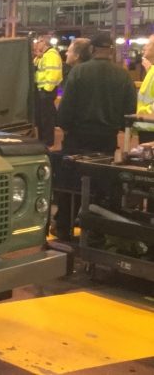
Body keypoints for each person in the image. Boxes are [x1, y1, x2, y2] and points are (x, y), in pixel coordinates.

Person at [54, 33, 137, 240]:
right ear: (111, 51)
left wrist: (65, 126)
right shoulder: (123, 75)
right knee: (102, 185)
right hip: (107, 140)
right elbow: (129, 112)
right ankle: (97, 231)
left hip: (77, 139)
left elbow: (65, 110)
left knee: (70, 184)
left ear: (91, 50)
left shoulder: (79, 72)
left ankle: (64, 226)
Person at [34, 36, 63, 147]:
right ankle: (43, 140)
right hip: (42, 90)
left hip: (46, 91)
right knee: (42, 118)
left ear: (44, 43)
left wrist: (46, 90)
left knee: (46, 118)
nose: (37, 43)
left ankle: (47, 141)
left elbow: (53, 74)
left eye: (39, 41)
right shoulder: (44, 55)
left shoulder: (51, 55)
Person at [135, 34, 154, 143]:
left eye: (148, 44)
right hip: (147, 127)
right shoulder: (151, 71)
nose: (144, 47)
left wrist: (141, 113)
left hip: (150, 127)